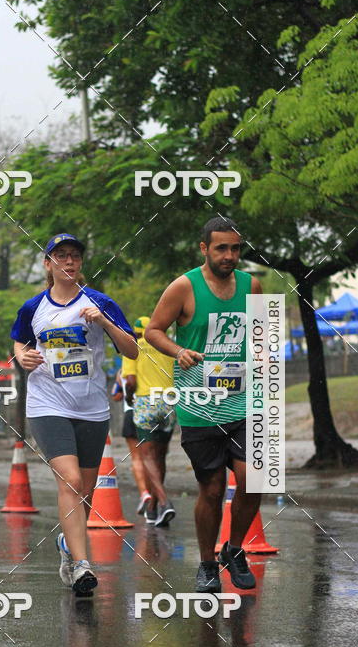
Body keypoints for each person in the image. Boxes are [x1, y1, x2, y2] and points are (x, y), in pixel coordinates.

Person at [11, 233, 137, 596]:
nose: (69, 262)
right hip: (48, 403)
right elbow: (20, 339)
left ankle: (69, 546)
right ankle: (82, 566)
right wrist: (22, 355)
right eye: (61, 256)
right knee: (69, 480)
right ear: (48, 264)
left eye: (75, 257)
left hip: (92, 407)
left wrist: (106, 322)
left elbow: (132, 351)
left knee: (84, 490)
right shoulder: (34, 307)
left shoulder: (99, 302)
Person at [145, 217, 263, 594]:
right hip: (200, 406)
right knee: (211, 489)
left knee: (254, 479)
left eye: (235, 249)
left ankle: (233, 548)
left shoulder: (252, 286)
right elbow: (153, 331)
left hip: (245, 402)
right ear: (204, 249)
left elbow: (262, 341)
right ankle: (208, 564)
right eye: (221, 249)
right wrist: (179, 351)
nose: (229, 256)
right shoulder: (184, 286)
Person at [122, 316, 175, 527]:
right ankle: (152, 509)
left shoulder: (133, 346)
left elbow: (131, 381)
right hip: (170, 401)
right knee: (161, 456)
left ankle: (164, 501)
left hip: (146, 402)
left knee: (147, 456)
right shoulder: (168, 346)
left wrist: (128, 396)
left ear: (137, 332)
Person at [111, 367, 150, 515]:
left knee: (136, 458)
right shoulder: (156, 358)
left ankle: (145, 493)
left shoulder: (122, 370)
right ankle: (157, 496)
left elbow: (116, 395)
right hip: (152, 410)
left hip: (131, 413)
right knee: (153, 457)